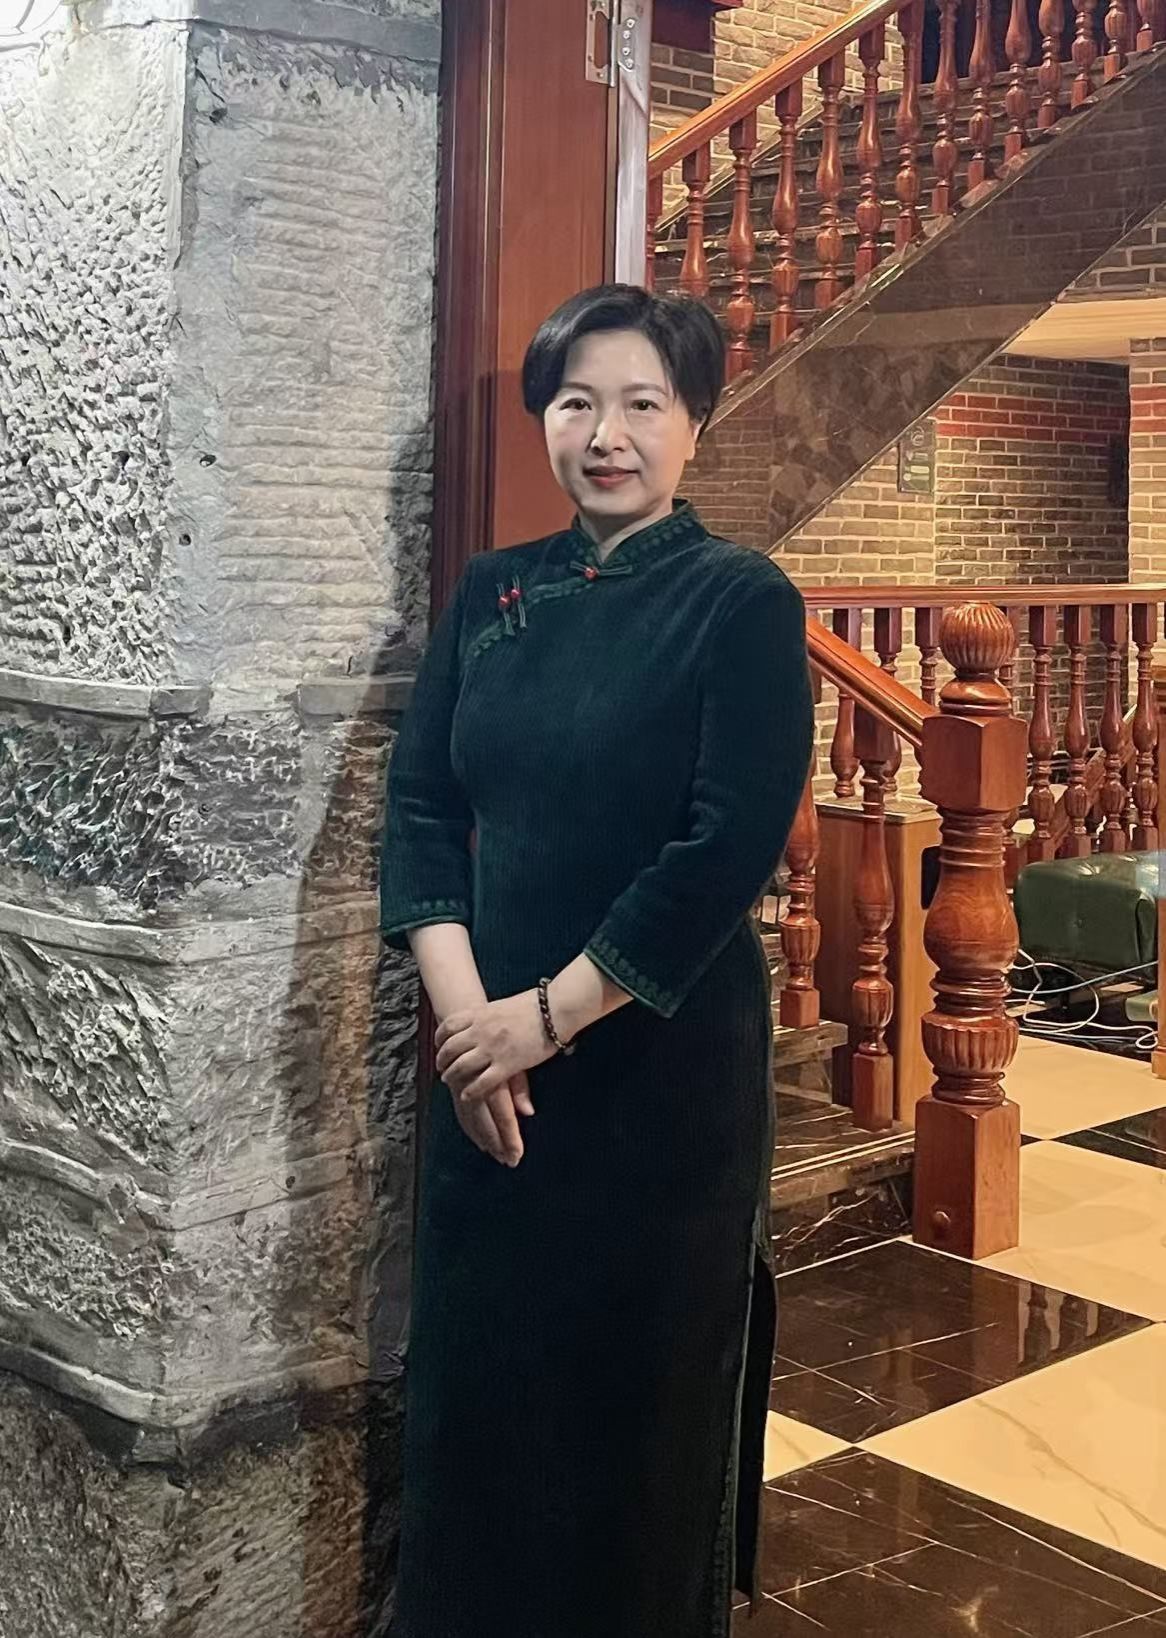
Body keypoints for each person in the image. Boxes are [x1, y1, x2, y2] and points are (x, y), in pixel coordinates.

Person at [380, 283, 814, 1638]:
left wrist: (544, 1019)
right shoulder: (493, 591)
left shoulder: (739, 601)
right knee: (480, 1393)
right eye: (577, 403)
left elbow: (721, 849)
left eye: (641, 404)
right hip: (486, 1076)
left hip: (655, 1075)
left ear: (694, 423)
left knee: (639, 1412)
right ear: (544, 420)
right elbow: (421, 808)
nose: (606, 434)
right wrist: (468, 1026)